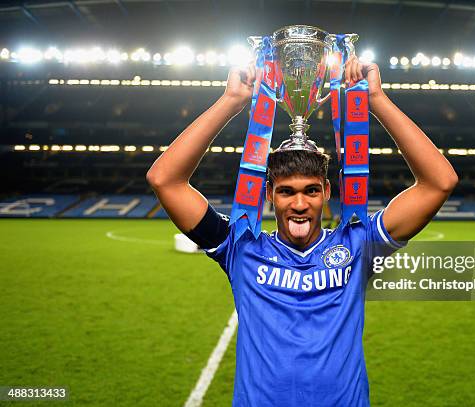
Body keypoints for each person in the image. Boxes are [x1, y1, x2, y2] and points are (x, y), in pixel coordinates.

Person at [147, 55, 458, 406]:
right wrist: (230, 102)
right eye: (286, 191)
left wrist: (377, 102)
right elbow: (164, 180)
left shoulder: (358, 244)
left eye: (310, 191)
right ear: (269, 196)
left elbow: (439, 183)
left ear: (326, 192)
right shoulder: (241, 248)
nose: (298, 204)